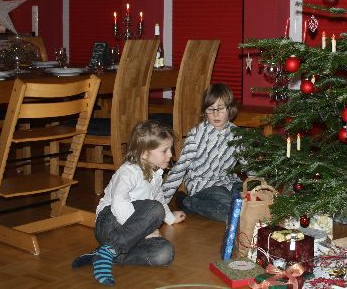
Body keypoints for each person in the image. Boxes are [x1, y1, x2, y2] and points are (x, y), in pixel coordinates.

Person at [71, 120, 186, 286]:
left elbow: (158, 196)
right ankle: (110, 249)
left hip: (128, 235)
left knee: (165, 253)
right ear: (145, 153)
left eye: (170, 149)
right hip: (110, 222)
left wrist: (170, 219)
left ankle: (103, 254)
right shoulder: (129, 171)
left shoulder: (156, 173)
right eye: (165, 150)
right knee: (155, 209)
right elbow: (118, 203)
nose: (170, 154)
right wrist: (142, 231)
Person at [161, 83, 241, 222]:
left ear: (230, 109)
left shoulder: (237, 135)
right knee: (232, 210)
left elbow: (248, 164)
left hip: (227, 181)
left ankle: (197, 204)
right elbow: (180, 168)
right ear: (205, 111)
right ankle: (188, 202)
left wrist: (259, 184)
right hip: (203, 184)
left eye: (220, 109)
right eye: (211, 109)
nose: (216, 114)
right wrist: (161, 201)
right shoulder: (196, 135)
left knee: (243, 200)